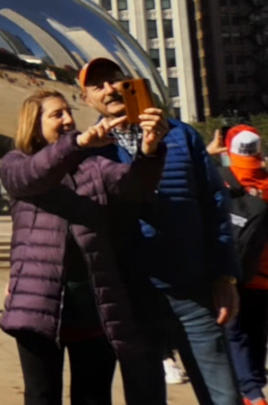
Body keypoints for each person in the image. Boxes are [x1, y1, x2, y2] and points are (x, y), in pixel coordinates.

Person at [80, 57, 240, 405]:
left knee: (223, 395)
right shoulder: (91, 149)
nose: (110, 89)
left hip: (193, 289)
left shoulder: (182, 135)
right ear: (86, 100)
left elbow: (216, 204)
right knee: (145, 396)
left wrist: (225, 276)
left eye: (115, 79)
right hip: (131, 295)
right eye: (98, 86)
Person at [1, 88, 168, 405]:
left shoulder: (93, 167)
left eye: (68, 112)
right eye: (56, 114)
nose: (67, 119)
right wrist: (76, 144)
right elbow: (33, 175)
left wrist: (149, 150)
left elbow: (135, 189)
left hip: (92, 304)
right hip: (39, 304)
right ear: (33, 125)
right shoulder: (15, 163)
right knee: (41, 395)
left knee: (93, 396)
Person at [219, 125, 268, 405]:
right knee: (256, 332)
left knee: (235, 336)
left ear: (229, 150)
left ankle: (251, 394)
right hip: (263, 276)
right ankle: (256, 386)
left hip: (232, 274)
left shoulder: (221, 179)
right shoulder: (266, 184)